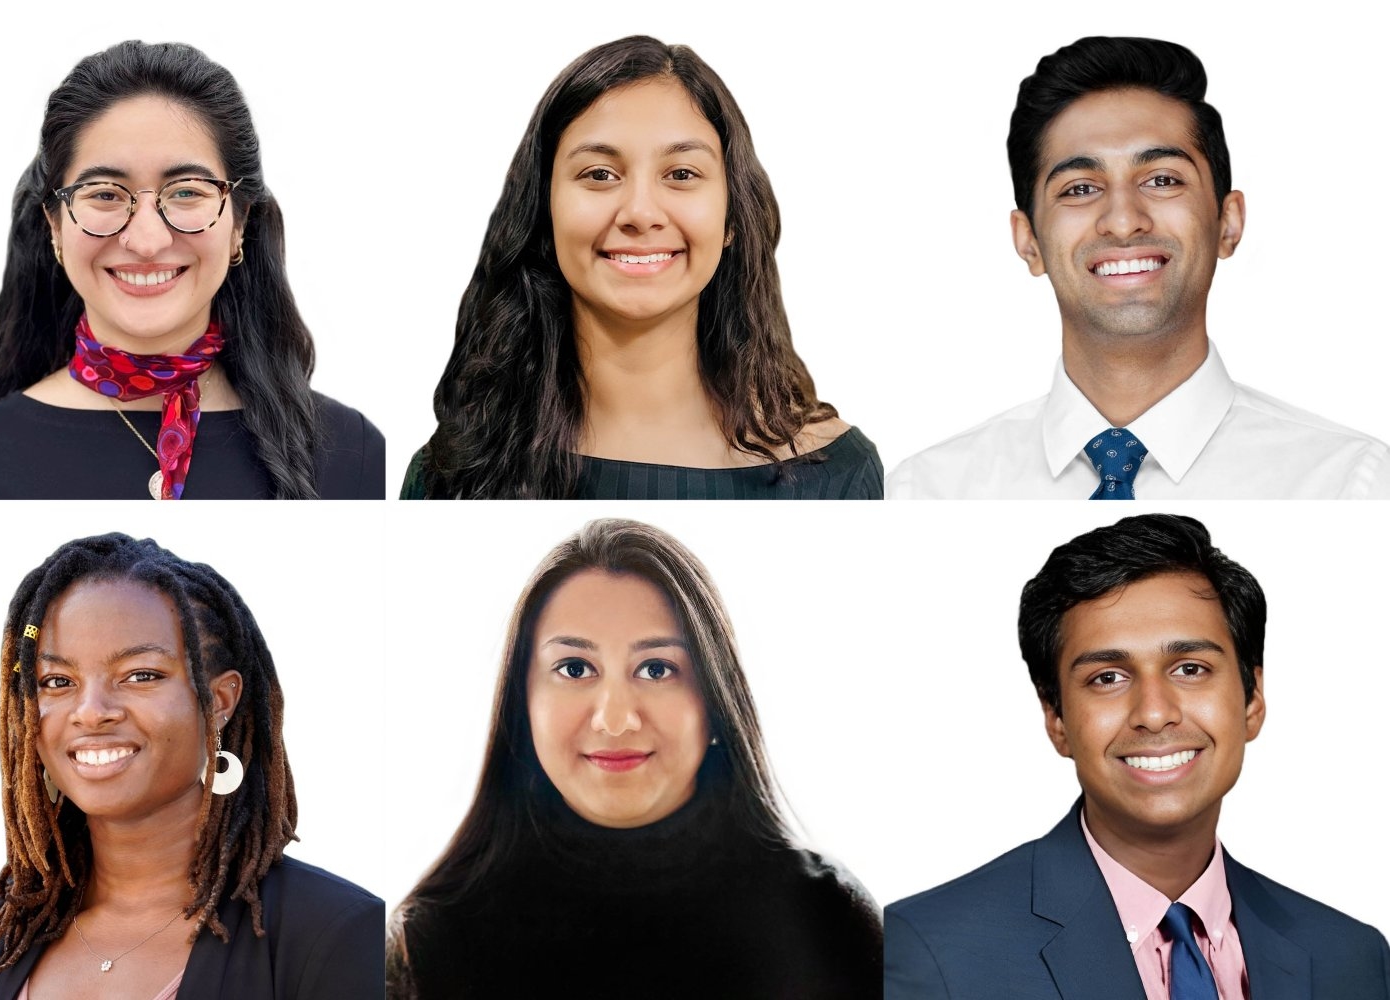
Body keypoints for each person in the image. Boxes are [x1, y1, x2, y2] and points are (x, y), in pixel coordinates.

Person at [884, 514, 1390, 998]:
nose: (1154, 713)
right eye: (1107, 678)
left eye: (1190, 669)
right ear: (1056, 718)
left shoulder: (1351, 957)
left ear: (1252, 699)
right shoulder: (930, 950)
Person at [387, 519, 881, 996]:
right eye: (575, 668)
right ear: (523, 702)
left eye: (656, 669)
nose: (616, 718)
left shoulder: (825, 919)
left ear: (714, 699)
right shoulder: (430, 941)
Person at [889, 37, 1388, 499]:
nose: (1124, 221)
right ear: (1029, 242)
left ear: (1228, 223)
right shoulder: (924, 491)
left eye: (1163, 179)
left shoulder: (1354, 485)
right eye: (1080, 188)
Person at [402, 36, 881, 499]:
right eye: (600, 174)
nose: (640, 212)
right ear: (544, 213)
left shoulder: (839, 475)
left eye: (681, 174)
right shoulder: (453, 472)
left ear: (732, 218)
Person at [0, 41, 385, 500]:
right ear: (54, 226)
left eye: (186, 192)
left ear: (239, 222)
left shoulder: (354, 456)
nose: (146, 241)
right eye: (104, 194)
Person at [0, 533, 383, 999]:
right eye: (57, 681)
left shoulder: (333, 933)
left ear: (219, 701)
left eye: (141, 675)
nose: (91, 710)